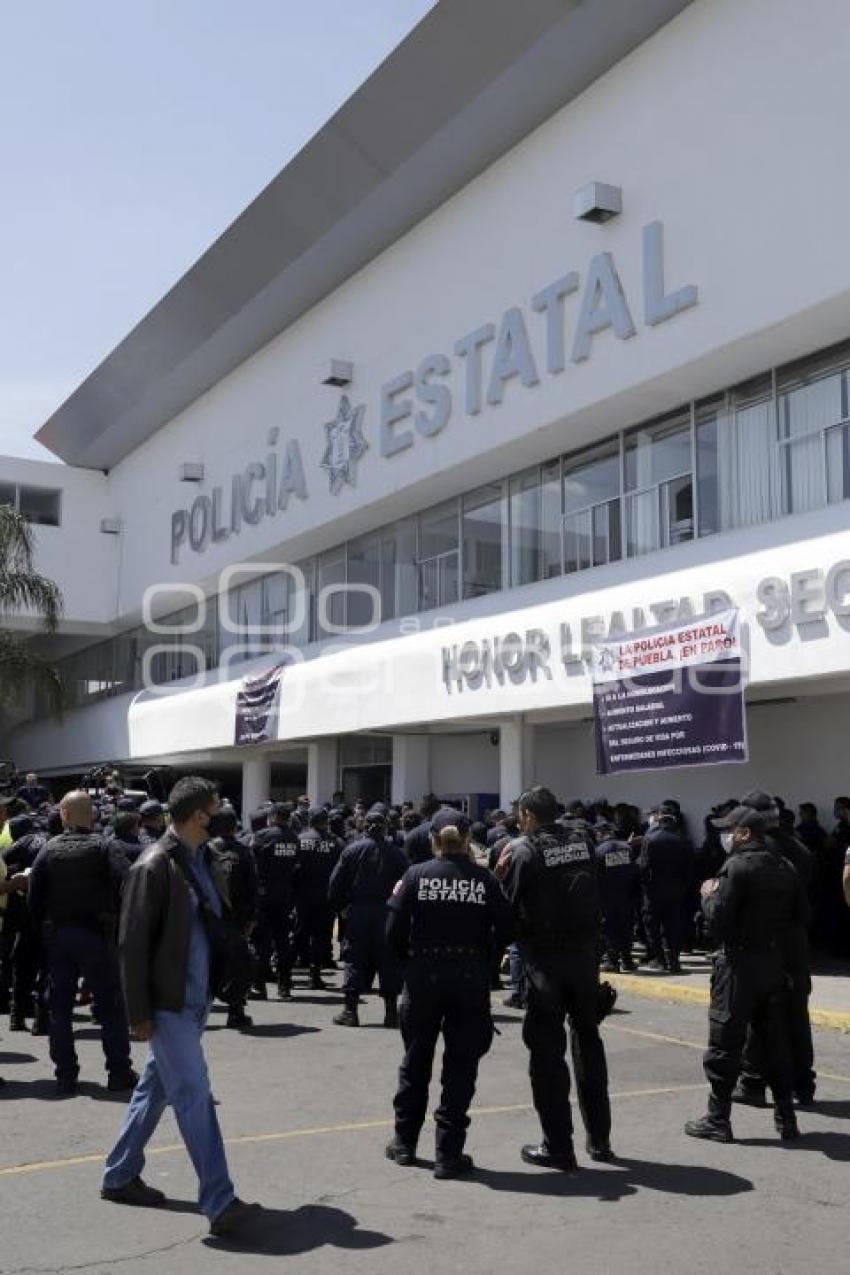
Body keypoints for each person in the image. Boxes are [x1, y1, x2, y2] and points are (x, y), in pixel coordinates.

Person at [101, 776, 260, 1238]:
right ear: (196, 817)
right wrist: (139, 1016)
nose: (222, 817)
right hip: (167, 1005)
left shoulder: (202, 859)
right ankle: (220, 1199)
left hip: (194, 1002)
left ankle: (119, 1174)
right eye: (215, 810)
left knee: (155, 1090)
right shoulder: (152, 866)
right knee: (194, 1095)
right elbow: (131, 945)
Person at [386, 807, 511, 1178]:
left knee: (415, 1060)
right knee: (460, 1067)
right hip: (468, 977)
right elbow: (506, 927)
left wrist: (410, 962)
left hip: (424, 975)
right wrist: (485, 962)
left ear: (433, 840)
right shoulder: (484, 880)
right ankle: (448, 1153)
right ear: (468, 839)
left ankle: (405, 1143)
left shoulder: (415, 874)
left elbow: (392, 928)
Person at [497, 786, 612, 1171]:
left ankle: (558, 1146)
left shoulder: (524, 851)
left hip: (545, 962)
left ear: (528, 815)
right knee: (589, 1047)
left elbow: (507, 914)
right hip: (584, 959)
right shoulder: (584, 842)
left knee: (547, 1057)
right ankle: (600, 1140)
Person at [684, 805, 806, 1144]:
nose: (726, 836)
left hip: (738, 966)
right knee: (773, 1043)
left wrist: (708, 895)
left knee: (725, 1044)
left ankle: (717, 1118)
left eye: (730, 830)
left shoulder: (736, 866)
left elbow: (719, 918)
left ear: (745, 833)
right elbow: (801, 916)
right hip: (772, 962)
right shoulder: (785, 866)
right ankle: (787, 1118)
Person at [26, 790, 136, 1096]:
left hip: (59, 938)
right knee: (110, 1007)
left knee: (59, 1009)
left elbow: (34, 897)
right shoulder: (105, 846)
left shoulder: (48, 849)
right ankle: (119, 1072)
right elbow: (129, 881)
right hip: (98, 937)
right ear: (92, 815)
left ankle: (65, 1077)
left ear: (63, 815)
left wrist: (45, 933)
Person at [329, 805, 408, 1028]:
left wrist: (340, 908)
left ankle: (350, 1011)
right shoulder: (396, 853)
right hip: (387, 912)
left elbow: (335, 883)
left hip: (359, 912)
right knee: (389, 960)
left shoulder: (352, 850)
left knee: (354, 959)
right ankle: (391, 1013)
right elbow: (406, 885)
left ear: (365, 827)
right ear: (385, 829)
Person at [208, 805, 259, 1030]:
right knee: (240, 964)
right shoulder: (244, 851)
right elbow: (253, 888)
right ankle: (236, 1011)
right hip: (235, 920)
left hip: (209, 919)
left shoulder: (205, 850)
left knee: (205, 964)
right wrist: (251, 918)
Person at [250, 802, 300, 1000]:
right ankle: (284, 987)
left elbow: (253, 866)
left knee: (261, 942)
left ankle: (259, 986)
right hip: (285, 895)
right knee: (282, 943)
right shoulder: (295, 839)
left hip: (264, 895)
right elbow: (296, 867)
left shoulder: (261, 836)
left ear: (272, 817)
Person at [638, 804, 692, 974]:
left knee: (652, 924)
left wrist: (645, 885)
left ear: (659, 818)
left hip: (654, 889)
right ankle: (674, 961)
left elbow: (644, 866)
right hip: (676, 889)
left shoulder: (650, 838)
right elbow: (689, 868)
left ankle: (660, 959)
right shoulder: (684, 838)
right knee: (674, 924)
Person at [295, 807, 342, 989]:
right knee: (321, 936)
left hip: (303, 895)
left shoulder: (300, 840)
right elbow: (341, 872)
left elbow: (294, 868)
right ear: (325, 822)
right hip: (325, 896)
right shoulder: (336, 842)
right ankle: (315, 975)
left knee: (300, 933)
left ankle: (288, 973)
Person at [594, 823, 639, 972]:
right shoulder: (627, 848)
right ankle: (627, 959)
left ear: (600, 834)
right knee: (626, 927)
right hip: (626, 894)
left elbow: (596, 876)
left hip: (606, 896)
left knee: (609, 929)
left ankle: (612, 961)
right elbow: (633, 870)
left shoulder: (598, 851)